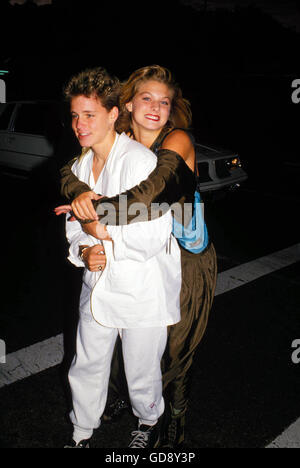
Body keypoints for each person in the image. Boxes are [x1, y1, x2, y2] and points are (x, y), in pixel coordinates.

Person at [56, 65, 217, 448]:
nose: (156, 107)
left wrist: (94, 221)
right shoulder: (107, 146)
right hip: (118, 269)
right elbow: (71, 179)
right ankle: (88, 426)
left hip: (185, 255)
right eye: (147, 98)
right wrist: (84, 240)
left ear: (112, 113)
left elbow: (151, 197)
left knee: (167, 357)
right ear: (127, 105)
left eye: (164, 101)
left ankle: (161, 426)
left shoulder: (171, 144)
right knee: (95, 359)